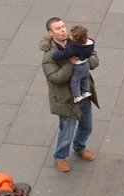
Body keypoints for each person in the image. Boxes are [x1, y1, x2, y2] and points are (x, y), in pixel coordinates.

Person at [40, 18, 99, 173]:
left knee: (87, 126)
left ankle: (80, 147)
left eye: (63, 26)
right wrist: (70, 63)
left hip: (84, 94)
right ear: (50, 33)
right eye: (58, 29)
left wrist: (85, 57)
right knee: (67, 130)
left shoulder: (77, 41)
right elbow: (55, 78)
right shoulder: (49, 56)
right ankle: (60, 156)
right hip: (66, 99)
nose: (63, 30)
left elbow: (94, 60)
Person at [52, 24, 95, 103]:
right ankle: (86, 91)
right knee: (85, 79)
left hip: (78, 67)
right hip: (86, 64)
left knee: (75, 81)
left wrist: (55, 55)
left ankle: (77, 96)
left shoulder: (72, 48)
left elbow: (63, 54)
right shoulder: (89, 44)